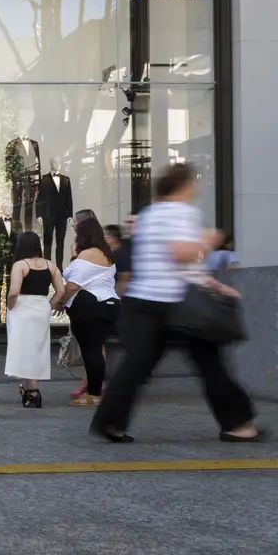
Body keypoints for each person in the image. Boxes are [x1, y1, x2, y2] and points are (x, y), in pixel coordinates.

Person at [91, 163, 262, 445]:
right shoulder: (184, 212)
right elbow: (181, 254)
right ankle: (239, 424)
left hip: (144, 300)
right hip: (178, 303)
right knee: (210, 364)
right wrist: (210, 240)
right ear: (185, 185)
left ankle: (111, 422)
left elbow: (160, 261)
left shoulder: (149, 214)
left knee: (136, 365)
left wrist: (213, 283)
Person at [54, 218, 120, 406]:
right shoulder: (106, 253)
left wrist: (60, 302)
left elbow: (73, 286)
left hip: (89, 305)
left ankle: (94, 394)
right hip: (109, 303)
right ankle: (96, 391)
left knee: (91, 351)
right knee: (96, 350)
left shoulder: (87, 255)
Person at [3, 232, 65, 408]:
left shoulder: (20, 265)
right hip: (41, 308)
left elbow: (14, 291)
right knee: (38, 348)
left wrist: (10, 306)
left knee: (24, 348)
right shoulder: (50, 265)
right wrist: (50, 305)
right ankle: (31, 388)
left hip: (22, 307)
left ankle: (31, 391)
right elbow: (61, 290)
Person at [105, 224, 132, 297]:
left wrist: (115, 298)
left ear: (113, 238)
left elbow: (124, 280)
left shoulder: (123, 254)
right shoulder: (110, 252)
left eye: (105, 236)